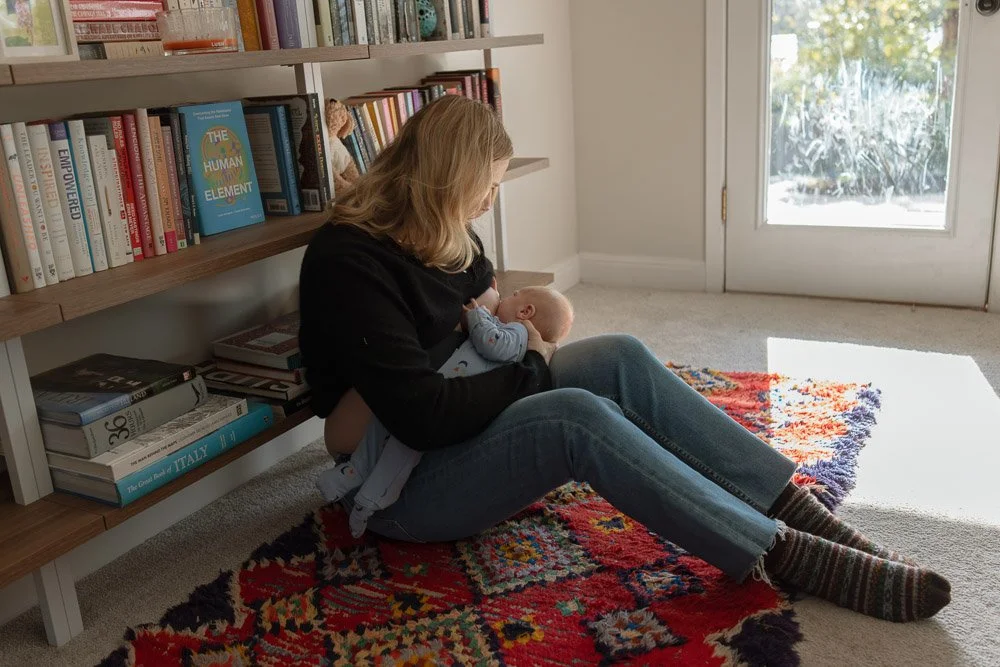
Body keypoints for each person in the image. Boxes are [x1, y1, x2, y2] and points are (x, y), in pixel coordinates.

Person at [298, 95, 950, 623]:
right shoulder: (350, 263)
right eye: (487, 187)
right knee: (574, 417)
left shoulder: (445, 234)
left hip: (455, 429)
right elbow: (424, 416)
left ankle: (796, 509)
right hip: (401, 485)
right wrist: (532, 365)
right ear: (448, 180)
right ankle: (780, 553)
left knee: (620, 355)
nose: (491, 203)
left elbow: (501, 320)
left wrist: (531, 340)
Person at [315, 285, 574, 538]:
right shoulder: (513, 331)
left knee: (401, 450)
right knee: (385, 425)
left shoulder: (518, 333)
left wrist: (476, 314)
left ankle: (370, 500)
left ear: (525, 312)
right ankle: (354, 471)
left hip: (442, 413)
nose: (504, 297)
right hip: (434, 396)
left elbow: (491, 343)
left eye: (512, 296)